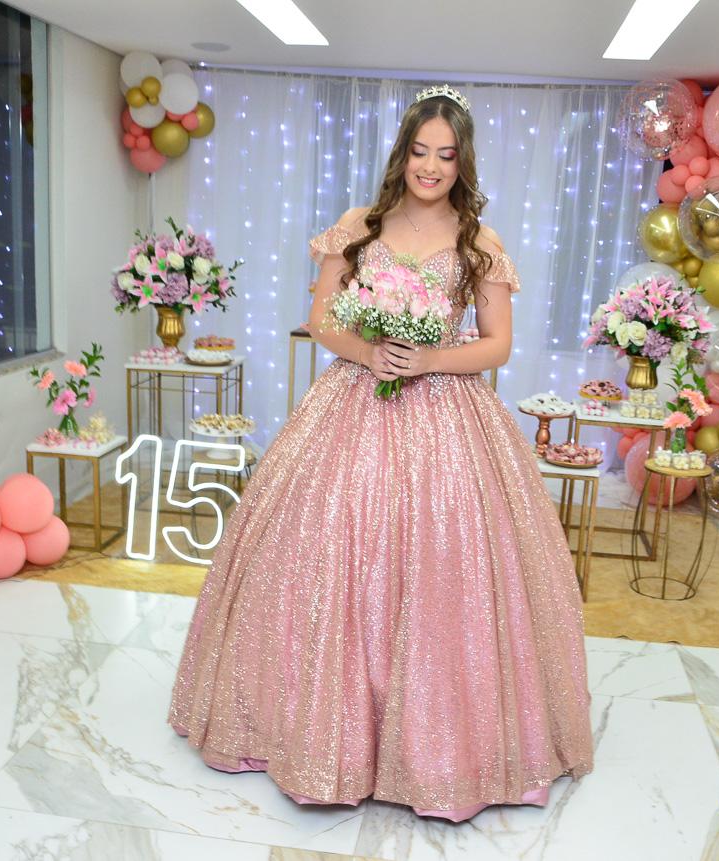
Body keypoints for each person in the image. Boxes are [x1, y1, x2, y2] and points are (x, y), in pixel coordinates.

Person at [168, 84, 593, 822]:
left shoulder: (479, 241)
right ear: (402, 153)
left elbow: (498, 345)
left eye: (446, 155)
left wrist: (428, 360)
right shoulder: (358, 226)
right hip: (354, 399)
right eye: (420, 151)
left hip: (448, 414)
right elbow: (321, 320)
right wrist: (370, 351)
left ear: (462, 163)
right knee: (324, 553)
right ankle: (315, 735)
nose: (431, 166)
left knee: (448, 565)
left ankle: (439, 748)